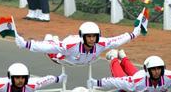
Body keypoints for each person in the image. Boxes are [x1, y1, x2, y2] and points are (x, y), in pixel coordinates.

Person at [15, 20, 144, 65]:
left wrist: (134, 33)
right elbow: (43, 47)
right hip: (65, 60)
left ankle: (53, 39)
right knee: (51, 50)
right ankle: (50, 38)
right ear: (83, 37)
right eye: (89, 37)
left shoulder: (102, 43)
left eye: (94, 36)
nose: (92, 39)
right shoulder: (70, 45)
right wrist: (25, 44)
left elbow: (117, 40)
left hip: (86, 60)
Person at [89, 54, 171, 92]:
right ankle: (114, 57)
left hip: (149, 87)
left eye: (159, 69)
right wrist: (96, 83)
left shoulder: (169, 77)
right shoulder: (137, 81)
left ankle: (124, 57)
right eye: (153, 69)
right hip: (136, 91)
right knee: (121, 81)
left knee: (134, 75)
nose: (157, 71)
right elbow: (113, 81)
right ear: (148, 71)